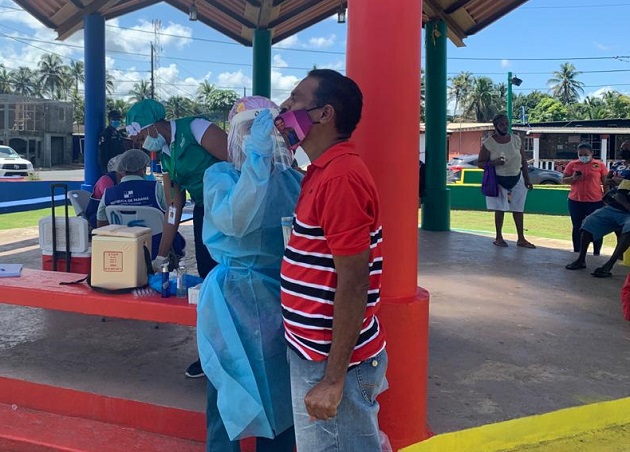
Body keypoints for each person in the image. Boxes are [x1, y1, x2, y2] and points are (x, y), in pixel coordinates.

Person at [279, 69, 388, 452]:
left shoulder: (339, 177)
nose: (284, 107)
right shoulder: (320, 170)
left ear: (324, 114)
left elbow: (355, 281)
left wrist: (332, 380)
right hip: (313, 352)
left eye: (294, 99)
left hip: (330, 362)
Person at [197, 96, 301, 451]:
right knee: (227, 389)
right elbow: (235, 220)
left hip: (280, 297)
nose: (256, 139)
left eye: (264, 130)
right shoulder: (219, 176)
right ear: (233, 137)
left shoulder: (291, 181)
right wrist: (256, 161)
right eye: (245, 131)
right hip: (229, 302)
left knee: (281, 389)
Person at [126, 99, 227, 379]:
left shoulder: (195, 128)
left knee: (236, 281)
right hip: (206, 212)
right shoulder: (166, 158)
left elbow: (241, 163)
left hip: (232, 210)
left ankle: (242, 355)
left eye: (144, 136)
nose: (144, 143)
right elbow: (173, 207)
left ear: (155, 125)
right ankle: (212, 355)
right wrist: (161, 255)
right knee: (211, 281)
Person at [95, 149, 186, 259]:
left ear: (121, 170)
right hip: (155, 249)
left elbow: (101, 222)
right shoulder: (156, 189)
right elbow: (172, 211)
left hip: (123, 250)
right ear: (143, 169)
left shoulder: (108, 194)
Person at [477, 113, 536, 248]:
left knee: (518, 209)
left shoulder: (516, 139)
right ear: (496, 126)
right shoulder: (489, 143)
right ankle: (499, 237)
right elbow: (480, 163)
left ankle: (521, 238)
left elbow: (523, 160)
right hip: (498, 180)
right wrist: (494, 162)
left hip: (517, 177)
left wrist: (527, 179)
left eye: (506, 124)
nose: (505, 126)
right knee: (500, 209)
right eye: (501, 124)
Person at [565, 174, 630, 277]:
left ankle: (609, 265)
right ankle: (581, 260)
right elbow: (619, 196)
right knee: (589, 221)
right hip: (617, 208)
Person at [561, 142, 608, 255]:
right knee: (577, 226)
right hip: (576, 200)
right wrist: (573, 178)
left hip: (595, 201)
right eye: (580, 154)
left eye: (586, 154)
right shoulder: (572, 164)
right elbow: (563, 180)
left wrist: (606, 199)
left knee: (596, 226)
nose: (583, 157)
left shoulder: (599, 165)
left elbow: (605, 183)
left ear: (591, 153)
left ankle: (596, 252)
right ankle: (577, 251)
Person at [85, 154, 123, 229]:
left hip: (115, 214)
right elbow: (111, 199)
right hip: (98, 216)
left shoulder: (123, 180)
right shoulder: (106, 180)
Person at [98, 109, 126, 175]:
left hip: (118, 164)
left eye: (119, 119)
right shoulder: (105, 134)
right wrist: (105, 168)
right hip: (109, 165)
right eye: (116, 119)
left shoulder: (118, 134)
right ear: (110, 120)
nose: (118, 121)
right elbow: (103, 153)